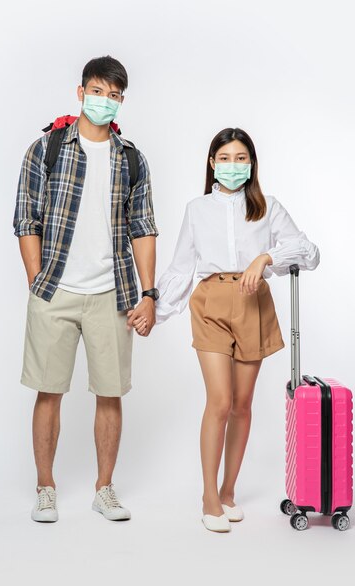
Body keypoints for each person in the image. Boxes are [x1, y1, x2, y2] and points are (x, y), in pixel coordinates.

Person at [135, 127, 320, 532]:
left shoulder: (268, 207)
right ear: (211, 162)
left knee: (242, 404)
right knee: (218, 401)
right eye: (225, 158)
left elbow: (309, 252)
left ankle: (228, 491)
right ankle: (208, 496)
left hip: (254, 303)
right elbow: (183, 267)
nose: (233, 166)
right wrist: (155, 310)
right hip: (210, 304)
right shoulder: (196, 209)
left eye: (241, 158)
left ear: (251, 164)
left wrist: (265, 257)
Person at [13, 55, 160, 523]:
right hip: (54, 291)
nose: (105, 101)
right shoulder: (47, 149)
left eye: (115, 96)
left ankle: (104, 488)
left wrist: (148, 293)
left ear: (122, 101)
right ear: (81, 93)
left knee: (110, 393)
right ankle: (45, 487)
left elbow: (144, 227)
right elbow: (26, 217)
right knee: (48, 391)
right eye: (99, 92)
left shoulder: (131, 158)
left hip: (112, 295)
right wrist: (38, 281)